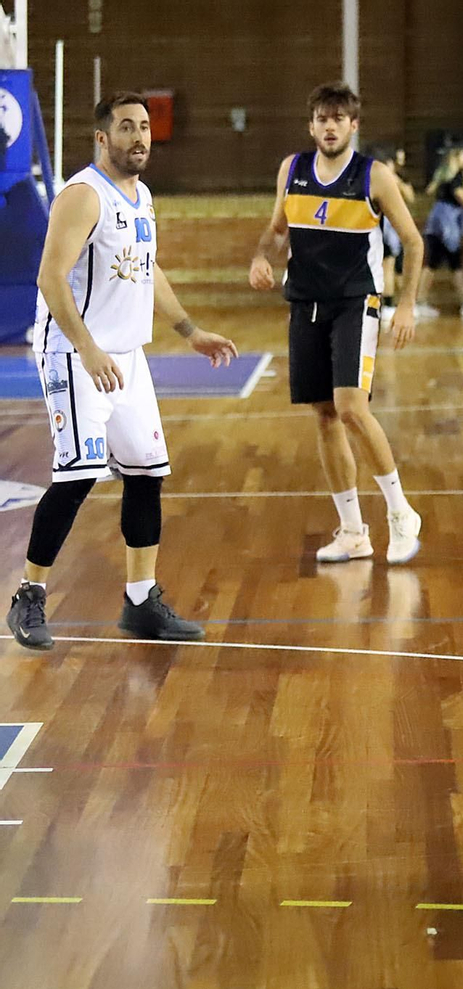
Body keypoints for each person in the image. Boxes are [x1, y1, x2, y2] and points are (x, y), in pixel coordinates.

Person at [9, 91, 239, 650]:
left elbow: (146, 267)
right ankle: (28, 597)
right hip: (74, 351)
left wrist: (190, 330)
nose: (139, 137)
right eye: (126, 127)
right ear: (102, 138)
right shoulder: (83, 195)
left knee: (145, 471)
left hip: (126, 356)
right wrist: (86, 348)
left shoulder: (140, 195)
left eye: (144, 127)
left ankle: (141, 602)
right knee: (77, 474)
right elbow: (49, 277)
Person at [248, 82, 426, 566]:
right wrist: (263, 257)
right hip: (305, 301)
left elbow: (412, 242)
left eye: (338, 118)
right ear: (312, 126)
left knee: (350, 407)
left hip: (355, 301)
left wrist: (405, 305)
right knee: (324, 414)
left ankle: (400, 513)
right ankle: (352, 531)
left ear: (353, 125)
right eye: (321, 119)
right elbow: (277, 229)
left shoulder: (375, 177)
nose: (329, 126)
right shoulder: (293, 170)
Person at [417, 144, 463, 318]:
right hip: (446, 226)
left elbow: (429, 190)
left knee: (437, 263)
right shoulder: (456, 178)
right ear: (455, 157)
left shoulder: (442, 175)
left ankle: (423, 301)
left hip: (436, 224)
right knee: (449, 262)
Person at [371, 144, 416, 325]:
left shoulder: (375, 177)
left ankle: (382, 305)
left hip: (380, 228)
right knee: (387, 266)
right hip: (385, 227)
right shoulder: (385, 178)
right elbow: (409, 196)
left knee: (389, 267)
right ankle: (387, 306)